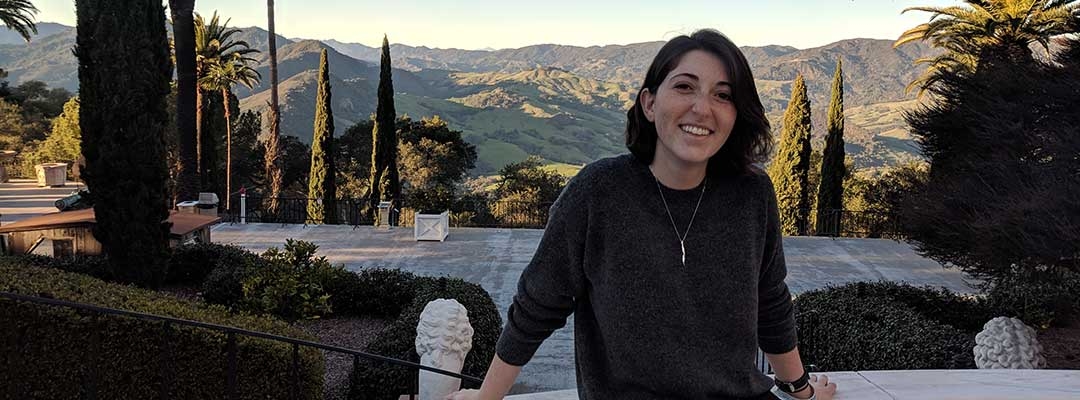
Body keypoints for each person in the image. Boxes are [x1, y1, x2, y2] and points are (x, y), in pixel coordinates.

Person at [447, 29, 838, 400]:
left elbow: (770, 302)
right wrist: (487, 395)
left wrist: (800, 388)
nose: (702, 108)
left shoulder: (752, 194)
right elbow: (536, 306)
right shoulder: (599, 191)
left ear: (737, 114)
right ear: (649, 103)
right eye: (685, 87)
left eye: (723, 95)